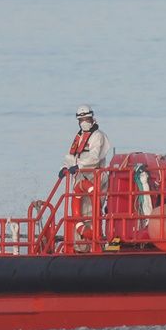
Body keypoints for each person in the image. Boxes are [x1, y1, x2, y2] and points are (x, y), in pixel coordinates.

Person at [60, 105, 110, 251]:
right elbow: (72, 156)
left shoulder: (98, 136)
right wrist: (65, 167)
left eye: (86, 118)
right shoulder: (79, 136)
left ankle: (92, 244)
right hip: (80, 177)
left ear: (92, 118)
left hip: (95, 175)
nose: (84, 122)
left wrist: (79, 165)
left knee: (90, 211)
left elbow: (94, 157)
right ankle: (80, 245)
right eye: (81, 119)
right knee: (78, 212)